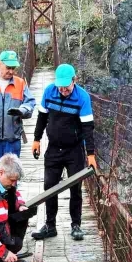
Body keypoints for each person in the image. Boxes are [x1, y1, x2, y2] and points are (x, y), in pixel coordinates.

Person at [31, 63, 97, 242]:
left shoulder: (82, 97)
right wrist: (37, 140)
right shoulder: (49, 92)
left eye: (66, 87)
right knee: (49, 186)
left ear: (74, 81)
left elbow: (87, 127)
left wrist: (90, 153)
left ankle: (76, 225)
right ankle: (50, 226)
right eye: (60, 86)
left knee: (75, 187)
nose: (63, 90)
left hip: (74, 149)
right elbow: (42, 117)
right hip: (53, 148)